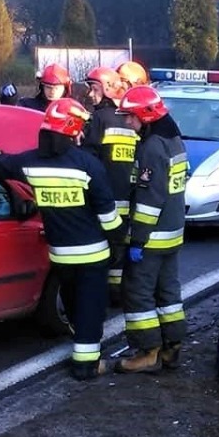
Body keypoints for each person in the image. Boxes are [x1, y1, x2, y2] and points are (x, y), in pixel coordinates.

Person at [0, 99, 120, 379]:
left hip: (59, 255)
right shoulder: (88, 165)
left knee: (74, 303)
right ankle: (87, 365)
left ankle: (82, 347)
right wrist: (118, 244)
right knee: (90, 308)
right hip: (92, 255)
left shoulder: (30, 163)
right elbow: (109, 218)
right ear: (73, 129)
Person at [114, 85, 189, 373]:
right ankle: (172, 346)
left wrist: (137, 241)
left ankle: (148, 352)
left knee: (138, 292)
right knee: (169, 293)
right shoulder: (174, 139)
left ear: (145, 116)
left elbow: (148, 199)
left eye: (130, 117)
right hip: (173, 234)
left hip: (153, 238)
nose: (126, 122)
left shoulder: (152, 146)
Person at [82, 65, 139, 298]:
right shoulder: (131, 120)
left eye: (93, 89)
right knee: (121, 246)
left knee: (104, 247)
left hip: (104, 200)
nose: (89, 94)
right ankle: (120, 291)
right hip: (130, 198)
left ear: (107, 89)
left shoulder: (98, 119)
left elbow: (88, 160)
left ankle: (105, 293)